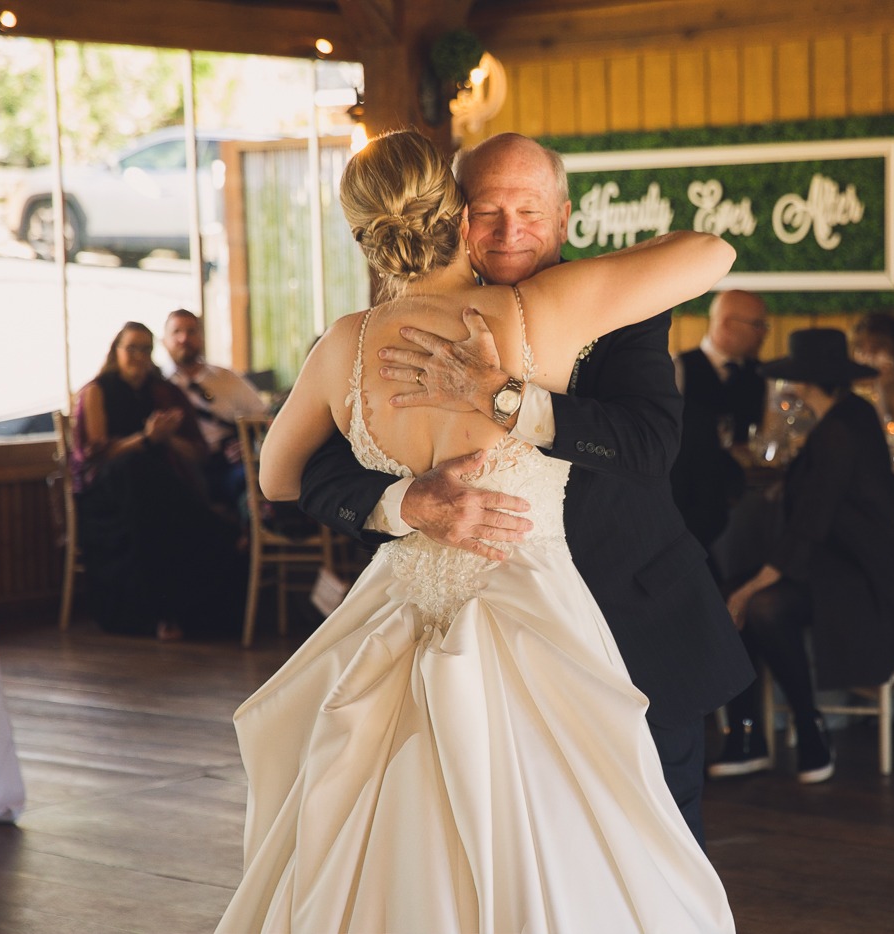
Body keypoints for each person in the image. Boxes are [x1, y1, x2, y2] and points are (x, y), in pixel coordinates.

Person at [214, 130, 739, 933]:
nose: (507, 229)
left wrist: (506, 398)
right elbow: (315, 479)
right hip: (530, 617)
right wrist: (402, 502)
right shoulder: (542, 313)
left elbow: (647, 448)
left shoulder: (350, 343)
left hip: (634, 621)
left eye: (529, 210)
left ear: (565, 218)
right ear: (459, 219)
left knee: (638, 838)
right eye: (487, 210)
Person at [711, 329, 894, 784]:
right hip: (835, 564)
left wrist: (754, 585)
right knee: (731, 598)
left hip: (864, 578)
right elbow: (826, 493)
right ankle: (749, 735)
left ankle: (808, 728)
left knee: (756, 604)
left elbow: (811, 524)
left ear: (805, 382)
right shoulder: (848, 415)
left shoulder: (840, 429)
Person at [69, 322, 244, 641]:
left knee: (152, 494)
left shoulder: (161, 392)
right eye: (131, 348)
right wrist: (146, 439)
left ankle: (193, 614)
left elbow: (197, 453)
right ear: (116, 351)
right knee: (136, 467)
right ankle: (217, 534)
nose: (139, 356)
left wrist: (167, 439)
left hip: (154, 493)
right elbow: (100, 453)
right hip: (108, 496)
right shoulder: (97, 390)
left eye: (146, 349)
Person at [670, 289, 769, 559]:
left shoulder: (763, 377)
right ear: (727, 323)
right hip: (687, 501)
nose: (764, 333)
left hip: (746, 496)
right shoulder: (679, 368)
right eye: (758, 325)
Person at [161, 308, 269, 513]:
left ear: (201, 337)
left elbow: (263, 417)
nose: (184, 338)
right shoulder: (158, 385)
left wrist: (250, 443)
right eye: (176, 332)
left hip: (228, 464)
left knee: (254, 479)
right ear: (164, 340)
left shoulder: (226, 378)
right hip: (182, 466)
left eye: (191, 331)